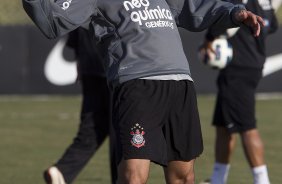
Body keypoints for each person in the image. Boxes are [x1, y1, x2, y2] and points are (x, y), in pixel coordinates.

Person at [22, 0, 264, 183]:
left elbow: (195, 7)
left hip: (180, 83)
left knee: (184, 176)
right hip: (136, 85)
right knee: (133, 177)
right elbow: (53, 20)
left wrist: (234, 13)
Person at [199, 0, 278, 184]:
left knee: (247, 127)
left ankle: (262, 180)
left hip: (238, 68)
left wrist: (210, 39)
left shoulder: (238, 2)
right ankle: (218, 179)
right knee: (224, 125)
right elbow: (271, 25)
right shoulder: (264, 2)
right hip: (251, 64)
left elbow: (222, 21)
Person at [44, 28, 117, 184]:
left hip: (89, 68)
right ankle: (123, 179)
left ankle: (62, 171)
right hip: (114, 68)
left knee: (92, 128)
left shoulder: (80, 3)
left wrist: (80, 62)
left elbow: (73, 31)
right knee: (121, 131)